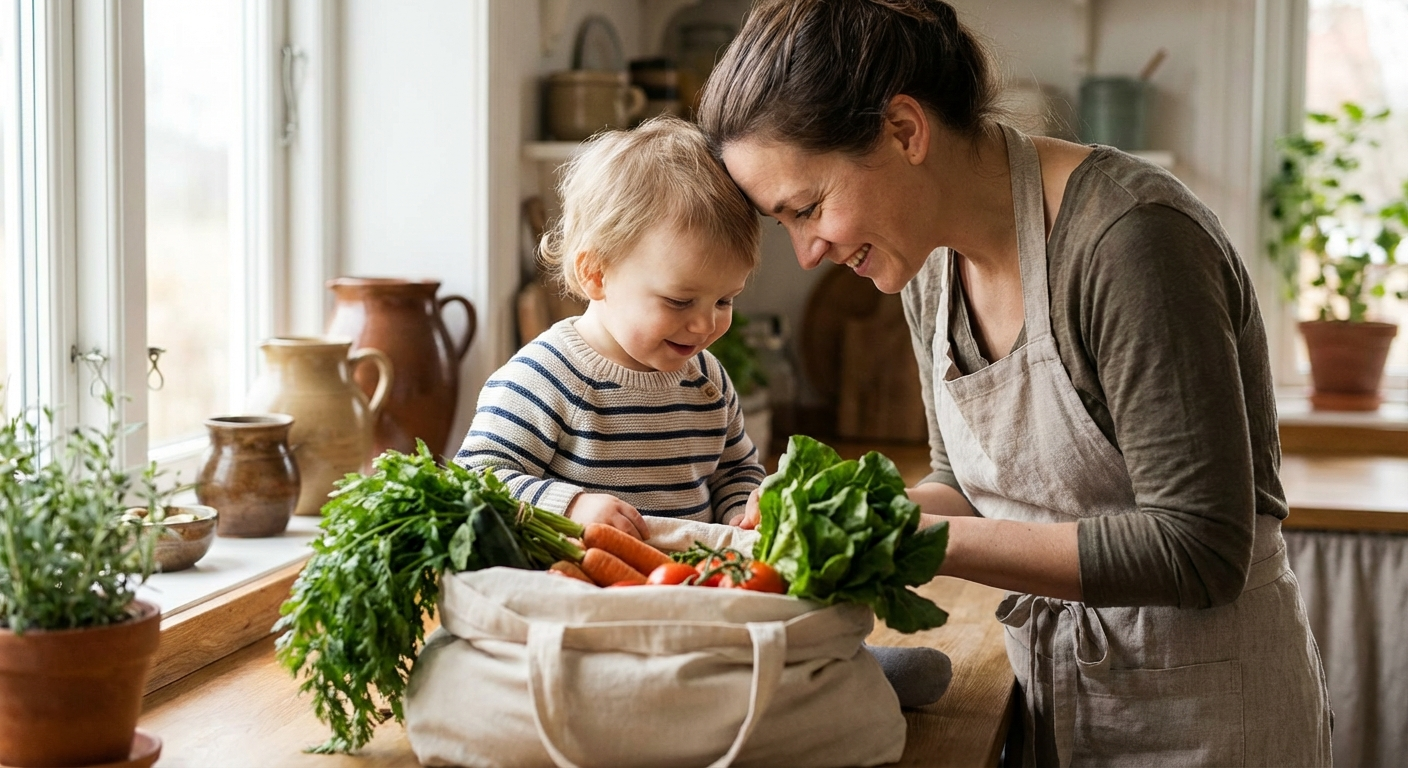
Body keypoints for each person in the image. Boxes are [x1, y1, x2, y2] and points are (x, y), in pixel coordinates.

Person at [700, 1, 1333, 765]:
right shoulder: (925, 263)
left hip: (1205, 715)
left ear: (904, 131)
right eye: (785, 223)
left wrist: (917, 541)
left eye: (808, 208)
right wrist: (842, 517)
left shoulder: (1130, 241)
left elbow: (1199, 547)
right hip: (1053, 699)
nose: (806, 251)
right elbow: (962, 484)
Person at [455, 115, 950, 709]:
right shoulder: (542, 379)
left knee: (759, 642)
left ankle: (825, 671)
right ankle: (818, 683)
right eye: (679, 300)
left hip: (701, 597)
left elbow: (734, 467)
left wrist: (747, 502)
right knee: (609, 686)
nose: (705, 324)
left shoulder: (705, 380)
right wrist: (573, 506)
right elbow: (474, 482)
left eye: (726, 300)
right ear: (596, 274)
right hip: (587, 613)